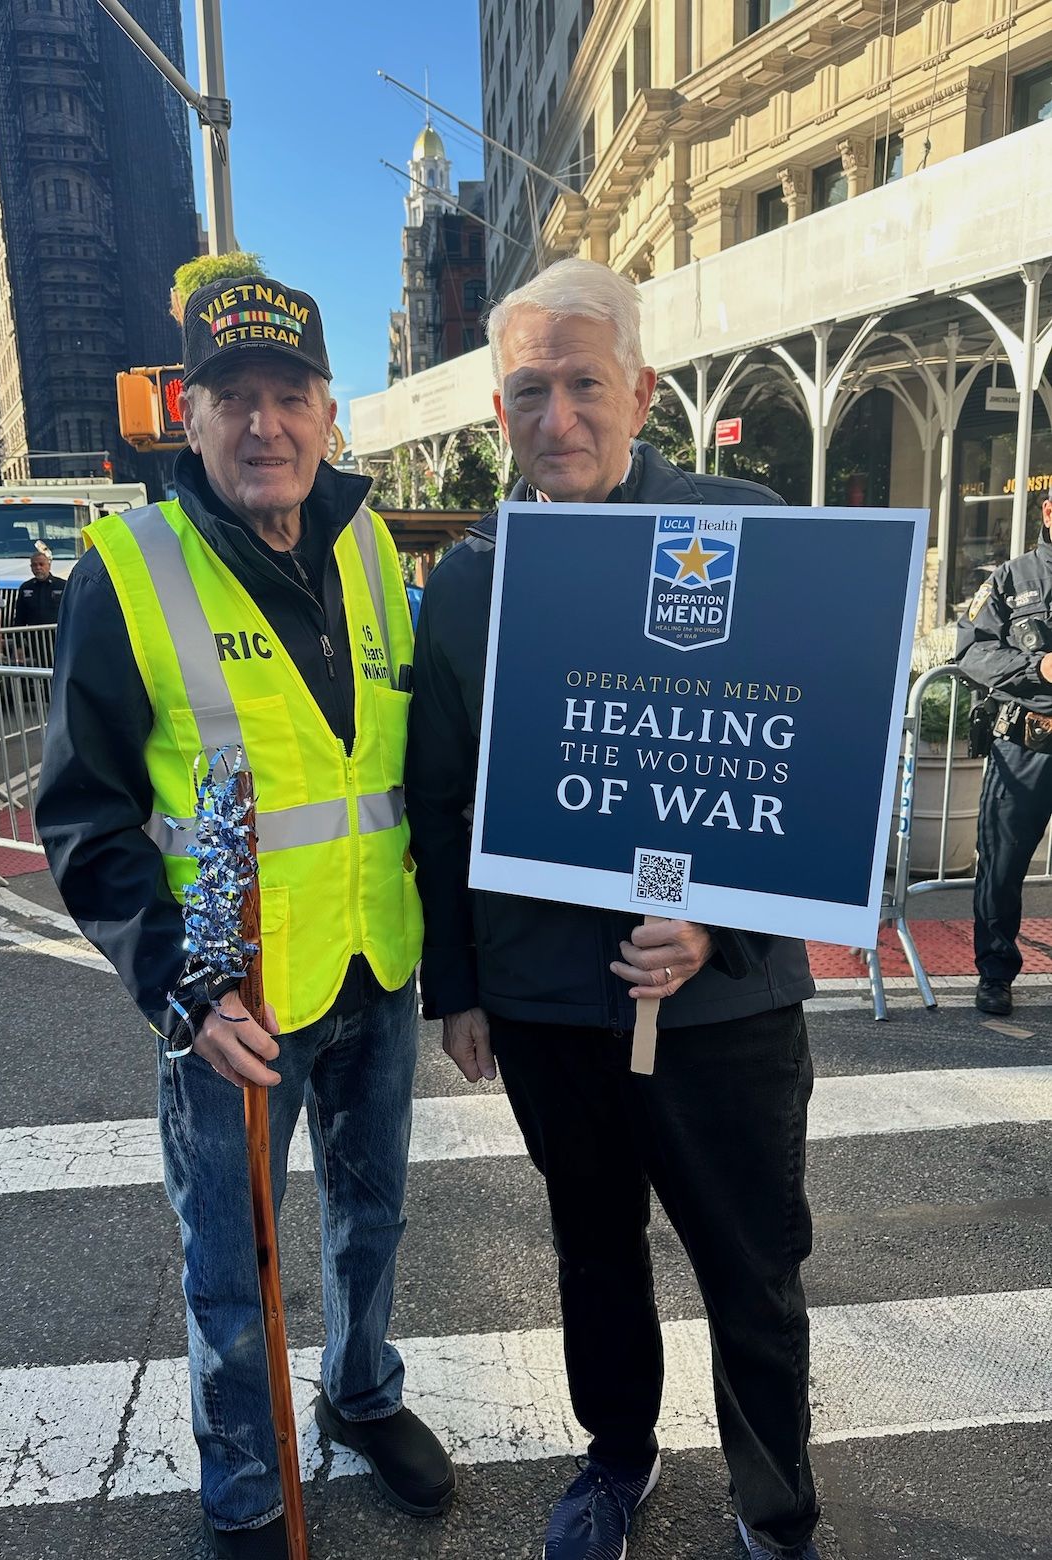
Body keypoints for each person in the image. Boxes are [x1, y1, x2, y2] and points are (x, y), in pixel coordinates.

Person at [405, 258, 820, 1560]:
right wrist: (457, 986)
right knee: (593, 1248)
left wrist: (718, 919)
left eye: (584, 383)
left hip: (723, 1005)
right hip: (545, 1002)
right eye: (529, 390)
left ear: (639, 390)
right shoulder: (469, 584)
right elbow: (440, 800)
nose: (559, 414)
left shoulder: (738, 524)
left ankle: (772, 1505)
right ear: (497, 414)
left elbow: (810, 758)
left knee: (750, 1267)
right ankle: (616, 1459)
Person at [37, 272, 453, 1559]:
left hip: (377, 966)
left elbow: (398, 769)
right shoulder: (129, 570)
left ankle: (360, 1393)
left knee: (372, 1218)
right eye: (234, 400)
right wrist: (180, 987)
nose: (263, 425)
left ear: (329, 413)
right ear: (190, 415)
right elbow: (86, 815)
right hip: (233, 1000)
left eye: (290, 397)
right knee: (231, 1265)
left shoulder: (372, 547)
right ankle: (244, 1482)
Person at [955, 488, 1052, 1017]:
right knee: (1002, 864)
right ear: (1048, 511)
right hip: (1026, 744)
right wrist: (1038, 671)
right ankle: (995, 973)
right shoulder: (1012, 579)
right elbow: (972, 649)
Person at [13, 544, 66, 626]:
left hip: (56, 635)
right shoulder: (25, 587)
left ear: (49, 566)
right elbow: (20, 616)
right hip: (33, 635)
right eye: (34, 565)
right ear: (31, 567)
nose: (38, 567)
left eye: (41, 564)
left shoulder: (62, 586)